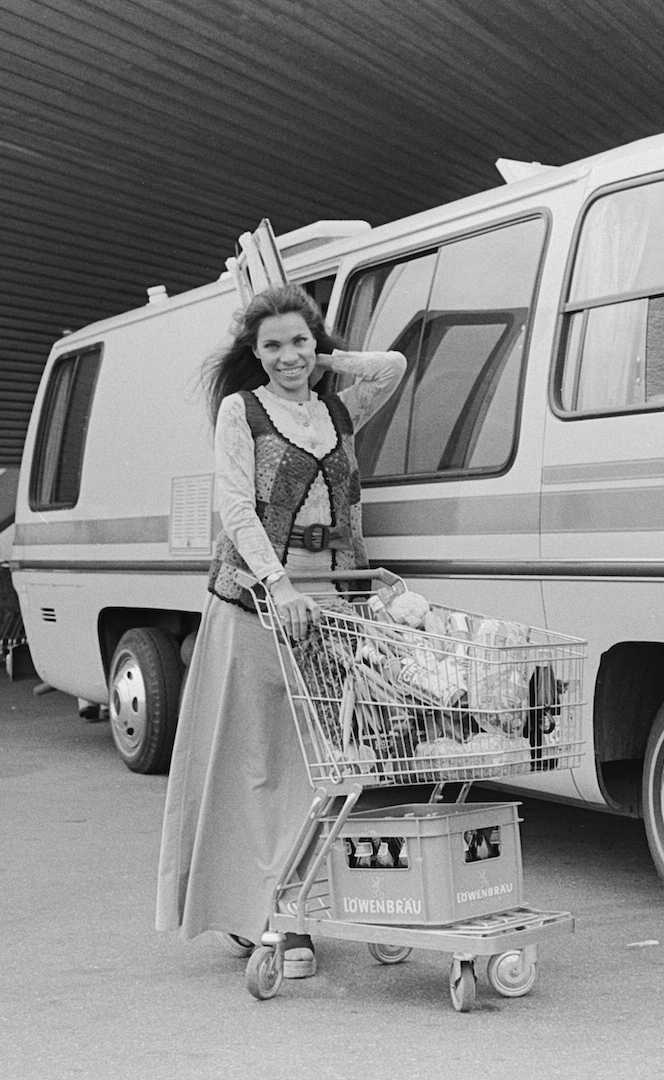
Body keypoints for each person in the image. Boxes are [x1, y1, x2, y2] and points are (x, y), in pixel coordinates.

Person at [155, 284, 407, 975]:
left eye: (298, 342)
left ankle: (308, 903)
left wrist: (329, 359)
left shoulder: (338, 406)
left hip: (334, 604)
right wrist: (279, 583)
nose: (287, 356)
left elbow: (392, 368)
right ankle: (271, 917)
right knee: (260, 763)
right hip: (260, 603)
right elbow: (236, 509)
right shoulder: (242, 411)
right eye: (272, 346)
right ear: (253, 353)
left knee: (329, 764)